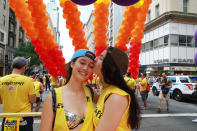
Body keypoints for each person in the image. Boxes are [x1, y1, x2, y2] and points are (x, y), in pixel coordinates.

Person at [40, 49, 99, 131]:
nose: (85, 68)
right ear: (72, 64)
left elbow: (108, 103)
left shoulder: (90, 92)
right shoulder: (53, 97)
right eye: (82, 63)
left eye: (91, 66)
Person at [93, 47, 140, 130]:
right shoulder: (107, 90)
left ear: (112, 68)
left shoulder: (116, 97)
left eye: (100, 58)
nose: (95, 59)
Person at [0, 57, 36, 131]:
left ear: (12, 67)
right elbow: (33, 100)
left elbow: (0, 101)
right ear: (24, 67)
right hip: (24, 117)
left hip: (8, 116)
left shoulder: (1, 80)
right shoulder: (28, 81)